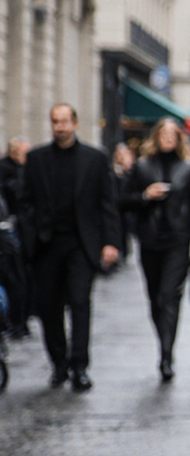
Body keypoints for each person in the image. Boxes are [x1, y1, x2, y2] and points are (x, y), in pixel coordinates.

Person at [18, 104, 121, 391]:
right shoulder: (36, 159)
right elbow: (24, 202)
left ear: (75, 123)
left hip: (81, 244)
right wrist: (31, 235)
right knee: (48, 306)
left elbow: (107, 203)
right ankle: (59, 363)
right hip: (46, 244)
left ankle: (79, 366)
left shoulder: (94, 159)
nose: (60, 127)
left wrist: (111, 242)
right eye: (55, 121)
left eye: (64, 121)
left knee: (79, 303)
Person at [120, 117, 190, 383]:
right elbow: (123, 200)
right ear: (156, 136)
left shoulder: (189, 168)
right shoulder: (143, 166)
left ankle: (167, 354)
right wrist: (146, 195)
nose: (168, 138)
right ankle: (163, 341)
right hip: (150, 240)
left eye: (173, 134)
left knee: (169, 296)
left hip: (178, 241)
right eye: (163, 133)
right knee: (155, 298)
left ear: (179, 138)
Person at [1, 137, 31, 338]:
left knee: (19, 277)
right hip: (8, 229)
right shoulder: (6, 170)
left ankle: (19, 320)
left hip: (16, 228)